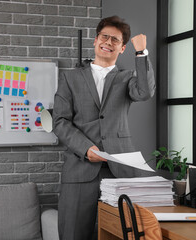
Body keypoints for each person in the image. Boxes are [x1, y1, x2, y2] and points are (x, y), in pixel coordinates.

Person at [52, 15, 155, 240]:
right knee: (73, 233)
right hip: (80, 168)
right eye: (104, 37)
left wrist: (142, 53)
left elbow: (145, 92)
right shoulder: (70, 78)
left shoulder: (128, 78)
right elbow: (59, 121)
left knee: (126, 234)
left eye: (115, 40)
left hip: (121, 171)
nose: (108, 42)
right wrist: (86, 148)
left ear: (122, 47)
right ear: (95, 40)